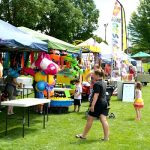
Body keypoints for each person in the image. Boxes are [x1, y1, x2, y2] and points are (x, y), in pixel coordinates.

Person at [76, 70, 109, 141]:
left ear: (97, 75)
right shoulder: (104, 82)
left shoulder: (97, 84)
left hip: (98, 103)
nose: (92, 75)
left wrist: (92, 105)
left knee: (90, 119)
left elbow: (96, 95)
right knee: (104, 120)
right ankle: (106, 137)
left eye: (93, 74)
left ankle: (83, 136)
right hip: (104, 103)